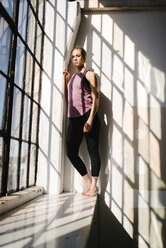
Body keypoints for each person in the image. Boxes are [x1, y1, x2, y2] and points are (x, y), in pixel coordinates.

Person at [63, 46, 101, 197]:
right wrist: (67, 81)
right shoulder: (72, 78)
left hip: (87, 115)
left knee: (93, 151)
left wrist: (90, 119)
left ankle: (95, 186)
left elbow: (96, 97)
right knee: (71, 152)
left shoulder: (90, 74)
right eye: (73, 57)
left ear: (84, 57)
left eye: (78, 56)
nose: (75, 59)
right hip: (74, 118)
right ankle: (88, 182)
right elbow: (70, 99)